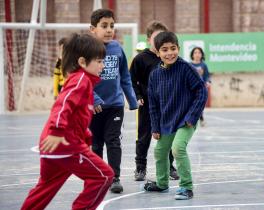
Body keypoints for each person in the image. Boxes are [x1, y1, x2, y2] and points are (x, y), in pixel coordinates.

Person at [21, 33, 114, 210]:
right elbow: (63, 104)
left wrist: (85, 137)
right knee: (104, 176)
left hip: (53, 146)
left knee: (46, 186)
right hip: (64, 143)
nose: (103, 65)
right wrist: (57, 130)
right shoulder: (81, 80)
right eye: (99, 61)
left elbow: (77, 116)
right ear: (82, 62)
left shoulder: (82, 81)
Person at [144, 31, 208, 200]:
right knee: (159, 152)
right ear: (157, 52)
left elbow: (201, 91)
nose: (170, 52)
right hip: (166, 122)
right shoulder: (154, 75)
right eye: (164, 49)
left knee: (178, 148)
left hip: (186, 120)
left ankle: (186, 187)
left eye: (173, 48)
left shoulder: (186, 68)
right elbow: (153, 105)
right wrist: (155, 127)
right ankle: (162, 183)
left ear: (178, 48)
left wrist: (192, 116)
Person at [89, 9, 138, 194]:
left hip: (115, 105)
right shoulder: (88, 49)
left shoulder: (117, 48)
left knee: (113, 141)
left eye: (112, 26)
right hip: (94, 108)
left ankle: (114, 177)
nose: (109, 30)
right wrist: (93, 99)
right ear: (93, 29)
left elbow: (125, 75)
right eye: (104, 26)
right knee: (96, 144)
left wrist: (131, 99)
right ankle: (97, 177)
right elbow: (82, 77)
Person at [130, 21, 179, 182]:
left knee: (169, 137)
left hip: (166, 106)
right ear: (149, 39)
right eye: (156, 37)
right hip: (147, 106)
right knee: (144, 137)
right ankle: (140, 168)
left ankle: (170, 167)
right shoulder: (140, 59)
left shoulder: (169, 58)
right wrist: (138, 96)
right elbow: (132, 80)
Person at [190, 47, 211, 127]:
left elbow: (207, 76)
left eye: (199, 53)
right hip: (192, 88)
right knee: (192, 104)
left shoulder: (203, 65)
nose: (197, 54)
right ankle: (195, 118)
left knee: (200, 104)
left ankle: (201, 118)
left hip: (201, 88)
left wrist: (208, 82)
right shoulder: (190, 65)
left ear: (202, 54)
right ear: (192, 54)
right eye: (195, 52)